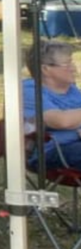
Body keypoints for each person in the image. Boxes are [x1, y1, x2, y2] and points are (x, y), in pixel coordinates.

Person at [22, 39, 81, 170]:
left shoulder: (71, 90)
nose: (73, 68)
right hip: (51, 151)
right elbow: (62, 121)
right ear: (45, 69)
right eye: (67, 64)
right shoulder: (30, 90)